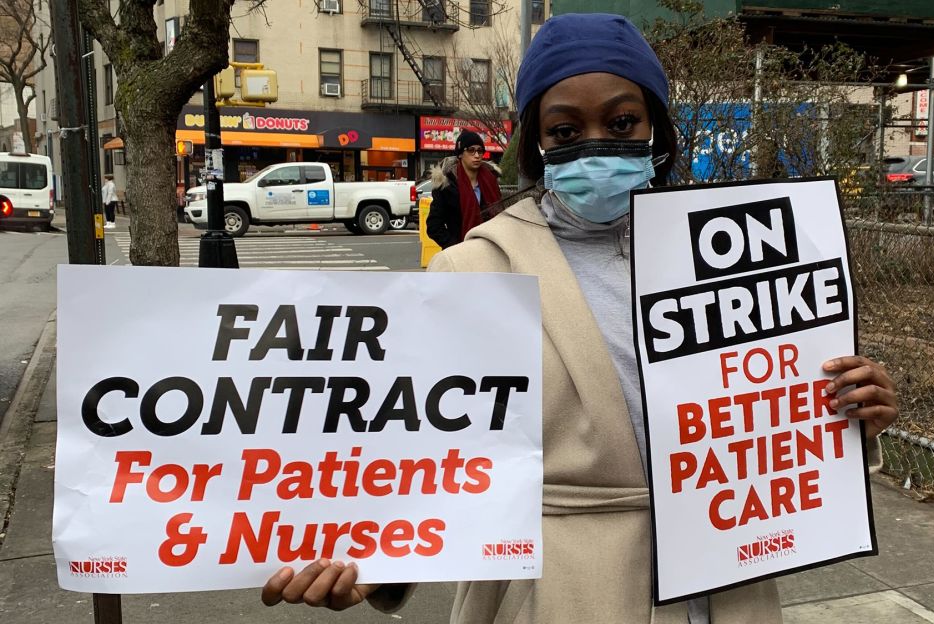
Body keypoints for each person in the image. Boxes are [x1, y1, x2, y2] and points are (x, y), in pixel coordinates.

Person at [261, 13, 899, 623]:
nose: (597, 143)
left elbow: (765, 417)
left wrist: (845, 413)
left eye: (622, 122)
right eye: (565, 130)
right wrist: (373, 561)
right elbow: (423, 461)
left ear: (657, 131)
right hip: (555, 597)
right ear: (535, 143)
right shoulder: (473, 276)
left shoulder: (734, 257)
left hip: (728, 588)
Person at [425, 130, 502, 249]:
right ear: (460, 154)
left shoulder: (491, 181)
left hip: (490, 250)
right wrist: (455, 247)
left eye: (480, 151)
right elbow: (434, 226)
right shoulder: (446, 185)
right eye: (471, 150)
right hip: (460, 253)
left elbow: (500, 218)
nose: (477, 155)